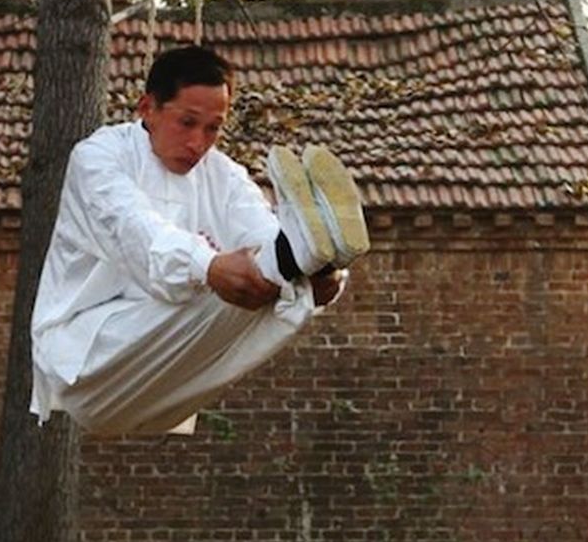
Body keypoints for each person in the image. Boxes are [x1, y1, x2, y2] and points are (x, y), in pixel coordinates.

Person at [29, 45, 369, 436]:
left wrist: (324, 283)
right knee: (221, 281)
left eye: (213, 128)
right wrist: (208, 265)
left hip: (167, 385)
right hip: (90, 365)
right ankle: (295, 260)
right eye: (187, 122)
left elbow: (258, 228)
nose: (198, 142)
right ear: (147, 108)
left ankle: (308, 262)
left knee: (266, 284)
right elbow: (135, 231)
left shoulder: (224, 175)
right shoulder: (98, 158)